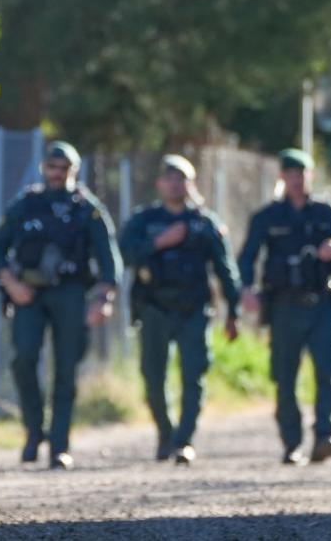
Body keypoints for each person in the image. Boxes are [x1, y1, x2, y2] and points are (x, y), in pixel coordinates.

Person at [0, 141, 121, 470]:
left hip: (70, 293)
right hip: (29, 294)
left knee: (66, 369)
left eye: (64, 169)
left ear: (74, 171)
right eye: (52, 168)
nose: (58, 174)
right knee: (24, 358)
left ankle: (60, 445)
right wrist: (12, 284)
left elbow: (109, 260)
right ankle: (34, 431)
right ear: (44, 169)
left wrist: (103, 299)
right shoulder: (26, 204)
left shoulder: (86, 209)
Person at [237, 148, 331, 465]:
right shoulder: (268, 217)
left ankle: (324, 436)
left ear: (310, 176)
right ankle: (292, 443)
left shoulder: (326, 213)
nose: (296, 180)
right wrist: (246, 290)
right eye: (290, 174)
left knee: (327, 372)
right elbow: (247, 257)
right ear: (282, 177)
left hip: (321, 305)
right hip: (284, 307)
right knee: (285, 377)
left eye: (301, 174)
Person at [119, 155, 241, 466]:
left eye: (182, 178)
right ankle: (165, 433)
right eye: (169, 178)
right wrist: (160, 242)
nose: (175, 184)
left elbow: (225, 269)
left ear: (191, 183)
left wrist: (233, 310)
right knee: (153, 376)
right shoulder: (143, 221)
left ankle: (184, 440)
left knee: (193, 375)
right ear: (160, 183)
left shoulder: (204, 223)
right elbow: (126, 255)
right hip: (154, 308)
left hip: (193, 310)